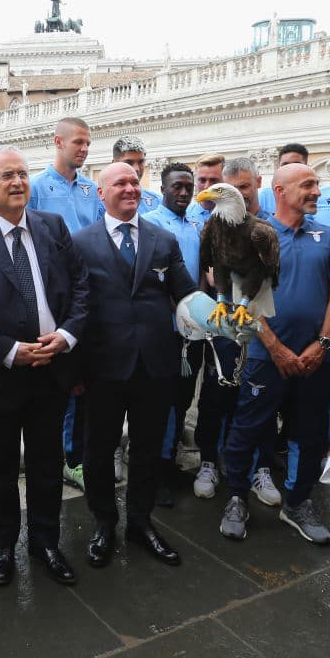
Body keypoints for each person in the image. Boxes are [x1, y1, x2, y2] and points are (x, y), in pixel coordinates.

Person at [0, 146, 87, 588]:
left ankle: (45, 542)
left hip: (51, 371)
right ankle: (3, 544)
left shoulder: (53, 227)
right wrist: (10, 349)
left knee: (48, 465)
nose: (18, 182)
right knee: (0, 470)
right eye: (7, 175)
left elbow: (81, 288)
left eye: (23, 174)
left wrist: (64, 337)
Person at [74, 162, 196, 568]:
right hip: (102, 367)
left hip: (154, 365)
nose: (130, 188)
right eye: (120, 183)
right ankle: (104, 523)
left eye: (134, 182)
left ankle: (141, 523)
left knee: (146, 449)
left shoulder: (163, 240)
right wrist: (72, 371)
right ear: (100, 193)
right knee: (98, 450)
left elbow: (187, 295)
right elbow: (72, 308)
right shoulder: (80, 243)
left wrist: (225, 319)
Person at [219, 163, 330, 545]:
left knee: (308, 436)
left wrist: (322, 344)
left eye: (316, 184)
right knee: (247, 430)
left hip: (315, 360)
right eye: (307, 185)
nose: (316, 192)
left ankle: (298, 503)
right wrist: (275, 347)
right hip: (263, 357)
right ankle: (238, 497)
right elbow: (245, 297)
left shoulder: (328, 236)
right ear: (279, 190)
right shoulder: (254, 236)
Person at [192, 158, 279, 503]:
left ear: (258, 184)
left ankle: (261, 469)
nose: (241, 193)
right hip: (225, 316)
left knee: (259, 400)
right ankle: (209, 461)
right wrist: (224, 301)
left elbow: (267, 278)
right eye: (235, 187)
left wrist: (246, 306)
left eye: (246, 186)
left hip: (259, 310)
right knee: (215, 394)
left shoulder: (263, 230)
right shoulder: (212, 226)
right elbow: (214, 273)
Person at [28, 116, 101, 492]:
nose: (84, 149)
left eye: (88, 143)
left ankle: (76, 456)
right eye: (78, 143)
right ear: (58, 141)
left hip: (88, 296)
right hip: (54, 298)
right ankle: (58, 457)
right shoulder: (37, 187)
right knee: (59, 380)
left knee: (82, 381)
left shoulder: (92, 189)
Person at [142, 163, 203, 508]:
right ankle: (156, 470)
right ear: (163, 189)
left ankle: (171, 459)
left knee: (182, 399)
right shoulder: (151, 223)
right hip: (165, 330)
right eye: (176, 187)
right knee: (160, 403)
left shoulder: (196, 224)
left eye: (187, 187)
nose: (183, 193)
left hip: (193, 330)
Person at [113, 136, 160, 215]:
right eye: (129, 162)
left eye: (141, 162)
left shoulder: (158, 202)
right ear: (114, 164)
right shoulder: (99, 202)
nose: (136, 169)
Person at [259, 143, 309, 216]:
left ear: (306, 167)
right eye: (285, 165)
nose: (290, 168)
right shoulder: (266, 195)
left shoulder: (314, 195)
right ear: (279, 167)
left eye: (296, 164)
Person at [186, 153, 225, 229]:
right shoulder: (185, 216)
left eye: (213, 180)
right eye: (202, 180)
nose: (207, 186)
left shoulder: (235, 216)